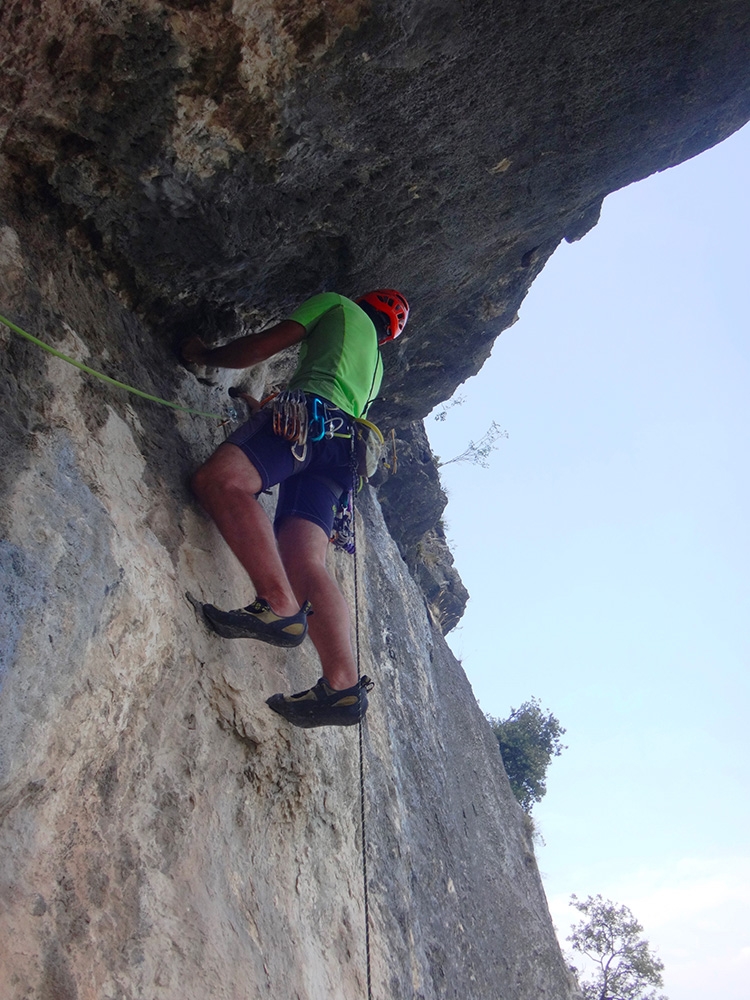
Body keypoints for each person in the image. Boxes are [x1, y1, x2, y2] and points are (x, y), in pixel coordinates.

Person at [182, 290, 409, 729]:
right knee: (305, 560)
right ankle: (342, 685)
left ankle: (278, 604)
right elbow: (337, 388)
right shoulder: (375, 369)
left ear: (365, 301)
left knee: (222, 482)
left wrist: (206, 354)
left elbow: (266, 344)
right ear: (387, 335)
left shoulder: (338, 305)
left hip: (309, 418)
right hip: (345, 456)